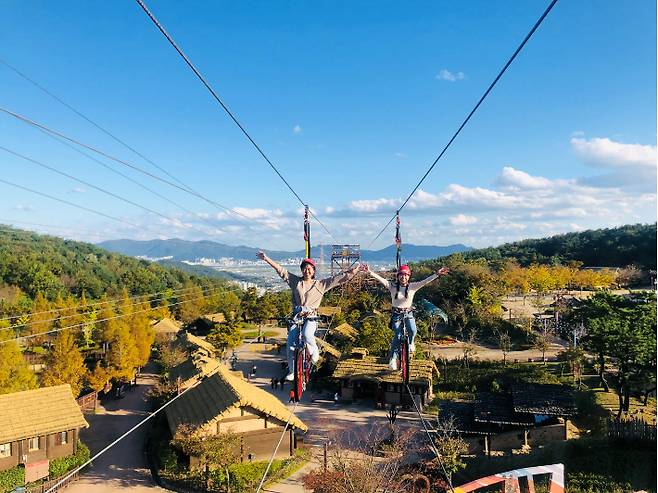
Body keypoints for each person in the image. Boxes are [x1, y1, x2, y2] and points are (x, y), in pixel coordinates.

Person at [257, 251, 359, 381]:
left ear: (313, 271)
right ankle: (292, 371)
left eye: (309, 268)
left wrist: (354, 271)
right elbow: (281, 270)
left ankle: (314, 350)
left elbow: (338, 279)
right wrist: (266, 258)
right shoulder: (296, 282)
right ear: (301, 270)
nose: (307, 271)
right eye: (304, 268)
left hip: (311, 316)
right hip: (297, 316)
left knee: (307, 334)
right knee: (290, 345)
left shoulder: (321, 284)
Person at [364, 263, 449, 370]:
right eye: (401, 275)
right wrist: (369, 272)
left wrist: (437, 274)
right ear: (398, 276)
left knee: (413, 330)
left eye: (406, 275)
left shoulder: (412, 286)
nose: (403, 277)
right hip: (396, 314)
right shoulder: (392, 286)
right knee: (398, 336)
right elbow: (382, 280)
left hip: (408, 313)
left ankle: (411, 343)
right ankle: (393, 359)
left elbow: (425, 281)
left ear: (408, 276)